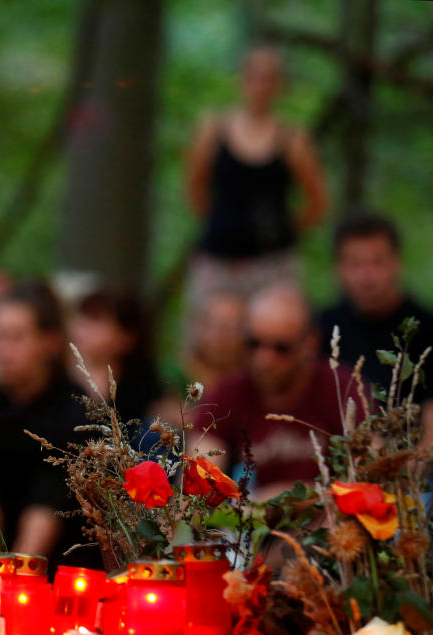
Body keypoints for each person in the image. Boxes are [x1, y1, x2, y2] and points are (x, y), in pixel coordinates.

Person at [0, 282, 100, 571]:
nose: (1, 350)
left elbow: (50, 500)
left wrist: (16, 578)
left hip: (59, 565)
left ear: (49, 341)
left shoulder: (76, 411)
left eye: (15, 337)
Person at [184, 46, 326, 311]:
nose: (260, 86)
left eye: (269, 78)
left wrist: (285, 230)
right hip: (218, 262)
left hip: (273, 264)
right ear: (240, 79)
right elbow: (194, 189)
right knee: (209, 341)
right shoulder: (213, 130)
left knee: (275, 338)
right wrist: (222, 223)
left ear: (281, 85)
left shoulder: (294, 139)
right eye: (253, 76)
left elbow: (317, 203)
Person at [191, 285, 355, 501]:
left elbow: (368, 474)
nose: (264, 360)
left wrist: (289, 499)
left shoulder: (341, 388)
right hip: (248, 526)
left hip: (326, 523)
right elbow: (197, 484)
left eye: (281, 348)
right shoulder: (227, 393)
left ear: (310, 343)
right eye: (254, 344)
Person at [318, 212, 433, 443]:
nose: (366, 276)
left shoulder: (426, 329)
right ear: (338, 268)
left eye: (376, 262)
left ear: (396, 262)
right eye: (355, 264)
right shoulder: (321, 328)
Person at [68, 287, 162, 423]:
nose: (81, 326)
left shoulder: (145, 395)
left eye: (95, 319)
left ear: (126, 338)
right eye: (82, 316)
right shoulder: (57, 379)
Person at [182, 290, 248, 388]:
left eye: (232, 328)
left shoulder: (252, 380)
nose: (223, 337)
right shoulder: (178, 375)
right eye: (217, 327)